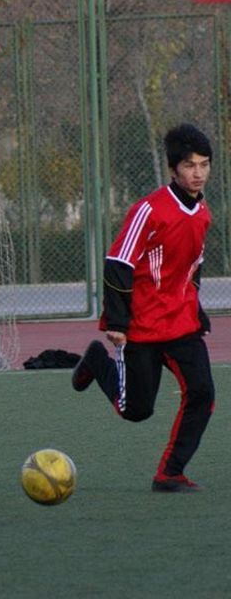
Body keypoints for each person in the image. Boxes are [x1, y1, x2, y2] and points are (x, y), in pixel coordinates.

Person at [71, 123, 215, 493]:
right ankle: (97, 361)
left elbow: (192, 267)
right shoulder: (148, 210)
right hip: (142, 326)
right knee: (136, 410)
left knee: (202, 394)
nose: (198, 173)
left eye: (204, 164)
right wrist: (117, 322)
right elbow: (117, 263)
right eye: (189, 165)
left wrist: (196, 309)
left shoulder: (203, 213)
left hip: (181, 324)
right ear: (173, 170)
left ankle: (170, 474)